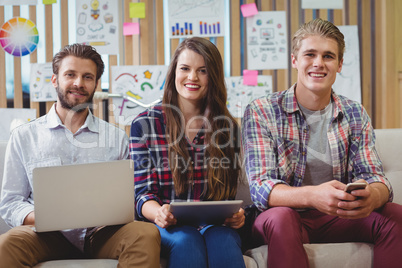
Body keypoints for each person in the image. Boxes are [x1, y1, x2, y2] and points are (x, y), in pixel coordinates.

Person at [242, 18, 402, 268]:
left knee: (396, 215)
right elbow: (262, 187)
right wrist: (313, 195)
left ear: (339, 64)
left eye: (328, 56)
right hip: (281, 217)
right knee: (283, 217)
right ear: (295, 60)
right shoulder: (262, 111)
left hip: (338, 216)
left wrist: (372, 195)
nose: (318, 63)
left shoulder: (355, 113)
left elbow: (375, 176)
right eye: (310, 54)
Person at [0, 43, 161, 267]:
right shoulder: (24, 137)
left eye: (87, 77)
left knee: (145, 234)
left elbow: (131, 198)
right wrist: (49, 217)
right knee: (7, 243)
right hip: (46, 235)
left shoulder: (116, 138)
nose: (78, 83)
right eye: (70, 75)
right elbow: (11, 202)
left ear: (96, 84)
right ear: (55, 80)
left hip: (102, 235)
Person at [130, 37, 246, 268]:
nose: (192, 77)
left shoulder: (228, 127)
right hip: (166, 227)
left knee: (223, 239)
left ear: (212, 77)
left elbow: (232, 193)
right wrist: (158, 213)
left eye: (202, 71)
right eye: (185, 68)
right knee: (187, 239)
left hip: (215, 227)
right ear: (174, 72)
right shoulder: (144, 125)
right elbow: (142, 194)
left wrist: (238, 215)